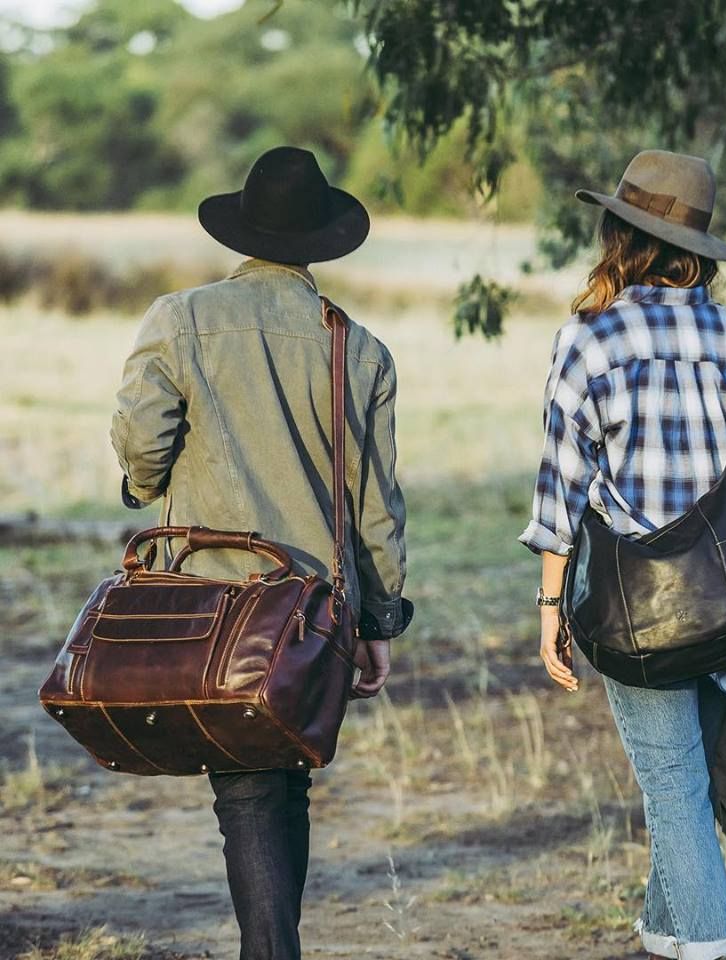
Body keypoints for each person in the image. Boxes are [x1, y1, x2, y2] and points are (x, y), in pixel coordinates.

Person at [110, 145, 412, 960]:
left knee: (251, 790)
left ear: (242, 231)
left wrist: (147, 486)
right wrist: (381, 621)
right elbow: (375, 507)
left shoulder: (179, 318)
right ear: (320, 242)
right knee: (277, 780)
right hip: (310, 615)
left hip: (208, 606)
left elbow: (142, 444)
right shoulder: (361, 348)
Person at [519, 149, 726, 960]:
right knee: (687, 790)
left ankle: (714, 946)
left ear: (619, 233)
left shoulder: (588, 338)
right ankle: (664, 931)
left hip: (636, 609)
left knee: (677, 790)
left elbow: (562, 488)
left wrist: (550, 610)